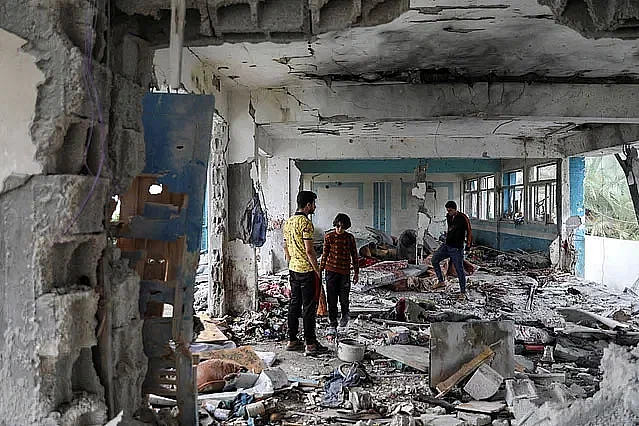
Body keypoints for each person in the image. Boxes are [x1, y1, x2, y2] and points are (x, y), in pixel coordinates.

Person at [283, 191, 328, 355]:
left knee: (294, 304)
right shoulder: (306, 224)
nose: (315, 207)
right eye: (314, 204)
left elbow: (285, 247)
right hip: (307, 271)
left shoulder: (288, 222)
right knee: (309, 307)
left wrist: (290, 262)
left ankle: (292, 340)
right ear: (308, 205)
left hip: (293, 269)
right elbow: (310, 251)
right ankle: (310, 344)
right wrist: (318, 271)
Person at [320, 213, 359, 335]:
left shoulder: (349, 238)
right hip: (331, 272)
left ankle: (345, 317)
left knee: (344, 298)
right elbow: (324, 254)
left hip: (344, 273)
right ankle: (332, 322)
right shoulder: (329, 237)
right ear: (335, 225)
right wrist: (319, 270)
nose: (339, 229)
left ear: (346, 227)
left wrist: (356, 273)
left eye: (342, 227)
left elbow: (354, 255)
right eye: (337, 226)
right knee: (331, 299)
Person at [431, 200, 473, 300]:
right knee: (434, 260)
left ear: (455, 209)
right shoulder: (449, 217)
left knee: (459, 270)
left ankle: (463, 292)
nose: (448, 212)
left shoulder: (463, 218)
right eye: (447, 210)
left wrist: (468, 246)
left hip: (457, 248)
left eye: (450, 210)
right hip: (447, 245)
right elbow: (450, 229)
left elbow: (469, 231)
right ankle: (441, 281)